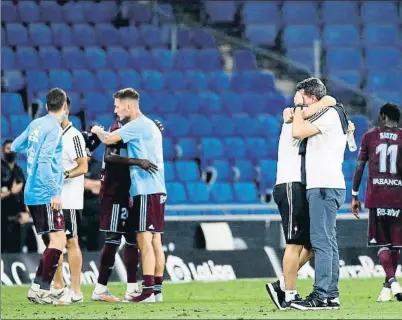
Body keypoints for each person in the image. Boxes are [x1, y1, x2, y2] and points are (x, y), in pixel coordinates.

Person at [91, 88, 166, 303]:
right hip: (157, 189)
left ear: (128, 106)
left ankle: (148, 291)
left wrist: (96, 130)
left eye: (117, 105)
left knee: (144, 238)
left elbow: (107, 141)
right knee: (154, 241)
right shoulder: (150, 125)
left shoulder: (136, 125)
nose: (114, 110)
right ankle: (156, 291)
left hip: (146, 189)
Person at [266, 93, 337, 310]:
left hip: (301, 186)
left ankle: (282, 284)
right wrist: (324, 102)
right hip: (290, 184)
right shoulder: (296, 117)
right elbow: (323, 105)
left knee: (311, 244)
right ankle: (289, 294)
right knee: (294, 243)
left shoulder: (300, 116)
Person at [289, 78, 349, 310]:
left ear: (313, 98)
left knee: (321, 242)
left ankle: (321, 295)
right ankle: (331, 295)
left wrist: (297, 109)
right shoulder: (329, 112)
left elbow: (297, 131)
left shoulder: (329, 115)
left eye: (302, 97)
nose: (300, 103)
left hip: (323, 186)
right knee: (329, 242)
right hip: (328, 185)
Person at [11, 88, 68, 304]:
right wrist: (55, 192)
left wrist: (31, 148)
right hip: (45, 194)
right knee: (58, 240)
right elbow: (44, 162)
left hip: (31, 192)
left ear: (46, 106)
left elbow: (16, 145)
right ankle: (41, 289)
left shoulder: (36, 124)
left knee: (52, 242)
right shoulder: (53, 129)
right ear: (64, 107)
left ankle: (38, 287)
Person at [351, 103, 402, 302]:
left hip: (377, 196)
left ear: (382, 116)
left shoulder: (370, 136)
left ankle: (392, 282)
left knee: (383, 244)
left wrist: (355, 195)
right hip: (398, 197)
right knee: (396, 246)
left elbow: (359, 165)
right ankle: (388, 286)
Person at [41, 96, 88, 303]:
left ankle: (76, 290)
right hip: (51, 198)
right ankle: (59, 286)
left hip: (68, 199)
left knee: (71, 241)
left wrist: (63, 176)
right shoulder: (48, 135)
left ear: (66, 109)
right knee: (54, 243)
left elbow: (83, 166)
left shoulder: (74, 136)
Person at [1, 140, 34, 253]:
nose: (11, 151)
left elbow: (25, 194)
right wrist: (11, 192)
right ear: (2, 151)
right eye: (8, 149)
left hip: (18, 218)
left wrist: (27, 213)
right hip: (3, 217)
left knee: (20, 248)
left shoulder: (19, 171)